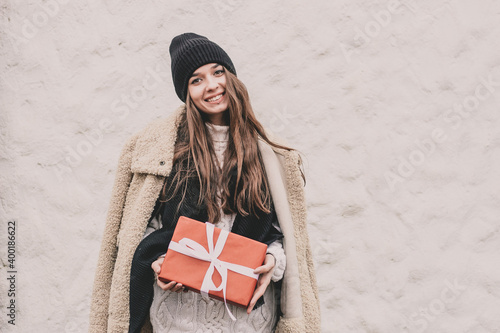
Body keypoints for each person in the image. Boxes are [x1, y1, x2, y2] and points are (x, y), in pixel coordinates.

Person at [89, 33, 320, 333]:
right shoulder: (164, 152)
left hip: (246, 321)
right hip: (177, 319)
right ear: (186, 92)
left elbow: (281, 234)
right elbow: (144, 227)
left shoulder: (270, 155)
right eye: (196, 80)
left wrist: (274, 260)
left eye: (217, 72)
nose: (211, 85)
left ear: (231, 76)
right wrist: (158, 261)